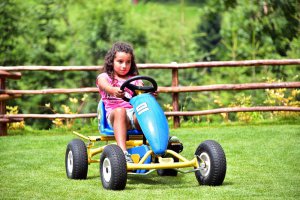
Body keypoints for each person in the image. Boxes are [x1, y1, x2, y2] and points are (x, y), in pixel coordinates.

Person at [96, 41, 143, 163]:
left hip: (133, 115)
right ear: (112, 61)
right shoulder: (105, 77)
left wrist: (149, 94)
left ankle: (161, 144)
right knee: (120, 111)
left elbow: (141, 93)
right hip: (114, 115)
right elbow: (103, 85)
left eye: (128, 62)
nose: (124, 66)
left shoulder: (134, 79)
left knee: (146, 111)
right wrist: (112, 90)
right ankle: (123, 153)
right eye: (120, 62)